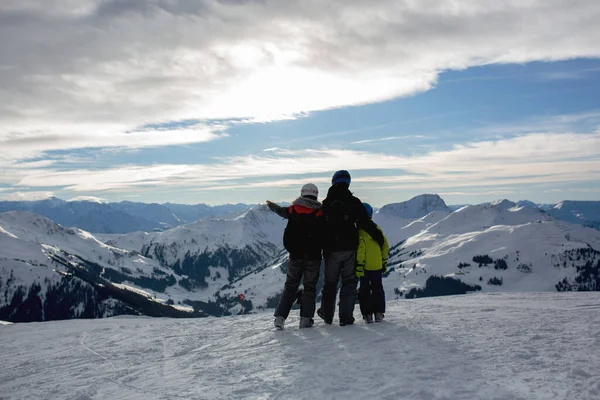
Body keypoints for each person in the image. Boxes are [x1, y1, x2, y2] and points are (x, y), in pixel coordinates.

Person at [316, 170, 384, 326]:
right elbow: (365, 223)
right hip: (350, 249)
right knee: (349, 283)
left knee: (330, 284)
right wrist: (378, 238)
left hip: (331, 250)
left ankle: (327, 315)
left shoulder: (326, 203)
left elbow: (320, 227)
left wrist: (320, 248)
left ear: (333, 182)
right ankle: (346, 318)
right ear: (348, 183)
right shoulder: (354, 201)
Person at [266, 183, 322, 329]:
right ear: (316, 194)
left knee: (290, 286)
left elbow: (280, 211)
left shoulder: (293, 210)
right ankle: (305, 319)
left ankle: (279, 318)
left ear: (302, 193)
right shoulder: (320, 213)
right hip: (313, 257)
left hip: (295, 255)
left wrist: (270, 205)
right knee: (310, 287)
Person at [356, 202, 389, 323]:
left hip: (365, 266)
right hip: (377, 265)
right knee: (377, 288)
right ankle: (379, 313)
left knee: (365, 290)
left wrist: (359, 264)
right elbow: (385, 245)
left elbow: (361, 248)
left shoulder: (360, 230)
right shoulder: (376, 228)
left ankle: (367, 314)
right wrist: (383, 261)